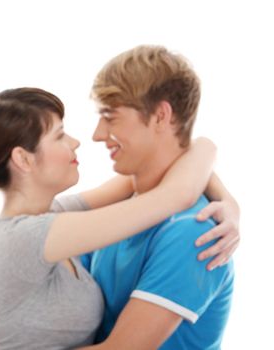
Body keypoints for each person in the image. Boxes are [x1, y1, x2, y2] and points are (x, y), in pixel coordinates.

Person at [0, 87, 239, 349]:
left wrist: (227, 201)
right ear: (23, 160)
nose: (75, 142)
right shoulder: (24, 238)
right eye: (60, 135)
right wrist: (207, 146)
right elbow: (175, 194)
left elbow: (156, 165)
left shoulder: (53, 215)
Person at [78, 45, 236, 349]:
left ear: (161, 116)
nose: (97, 134)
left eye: (110, 117)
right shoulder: (121, 208)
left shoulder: (195, 232)